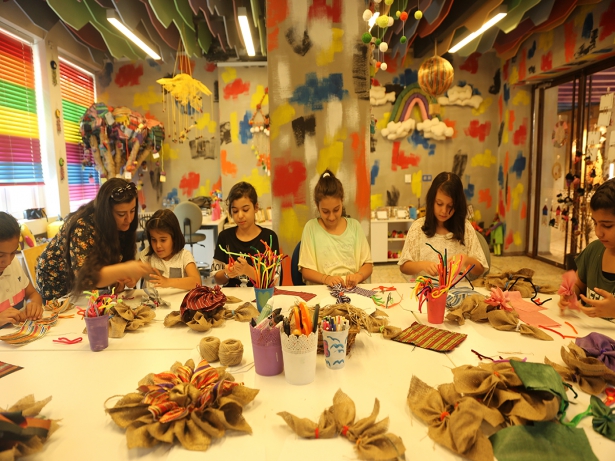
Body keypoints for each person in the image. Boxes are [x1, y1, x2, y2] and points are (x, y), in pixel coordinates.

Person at [36, 178, 152, 300]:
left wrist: (124, 279)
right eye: (121, 214)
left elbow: (113, 264)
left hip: (85, 289)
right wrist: (125, 269)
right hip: (57, 286)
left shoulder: (123, 224)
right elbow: (87, 279)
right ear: (107, 212)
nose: (129, 219)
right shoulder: (83, 226)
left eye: (132, 211)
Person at [399, 172, 488, 278]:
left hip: (457, 287)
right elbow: (404, 267)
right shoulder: (418, 227)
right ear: (432, 200)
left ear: (457, 205)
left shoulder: (465, 228)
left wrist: (465, 259)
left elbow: (480, 269)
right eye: (439, 204)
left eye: (450, 206)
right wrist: (422, 265)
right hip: (426, 286)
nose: (444, 211)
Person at [299, 169, 373, 287]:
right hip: (322, 289)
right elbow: (306, 271)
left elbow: (368, 265)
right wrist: (326, 278)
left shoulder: (355, 227)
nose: (332, 217)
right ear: (317, 206)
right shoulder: (311, 228)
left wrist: (358, 276)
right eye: (325, 211)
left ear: (342, 202)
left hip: (352, 289)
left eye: (336, 210)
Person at [559, 179, 615, 318]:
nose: (598, 232)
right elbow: (579, 285)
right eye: (595, 223)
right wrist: (571, 293)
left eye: (607, 225)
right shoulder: (594, 250)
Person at [212, 182, 279, 287]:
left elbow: (274, 280)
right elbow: (217, 279)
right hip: (231, 295)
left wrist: (249, 271)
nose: (240, 215)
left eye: (245, 210)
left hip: (260, 295)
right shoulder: (224, 237)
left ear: (256, 207)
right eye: (235, 211)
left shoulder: (269, 237)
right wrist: (226, 273)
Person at [140, 209, 201, 290]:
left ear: (174, 238)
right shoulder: (147, 255)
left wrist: (167, 282)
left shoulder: (184, 256)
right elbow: (131, 281)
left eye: (163, 240)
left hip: (179, 298)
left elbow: (197, 282)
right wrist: (129, 279)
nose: (158, 245)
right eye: (154, 240)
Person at [0, 212, 43, 326]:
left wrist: (33, 303)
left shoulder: (13, 263)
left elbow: (32, 294)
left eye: (13, 252)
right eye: (0, 255)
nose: (8, 262)